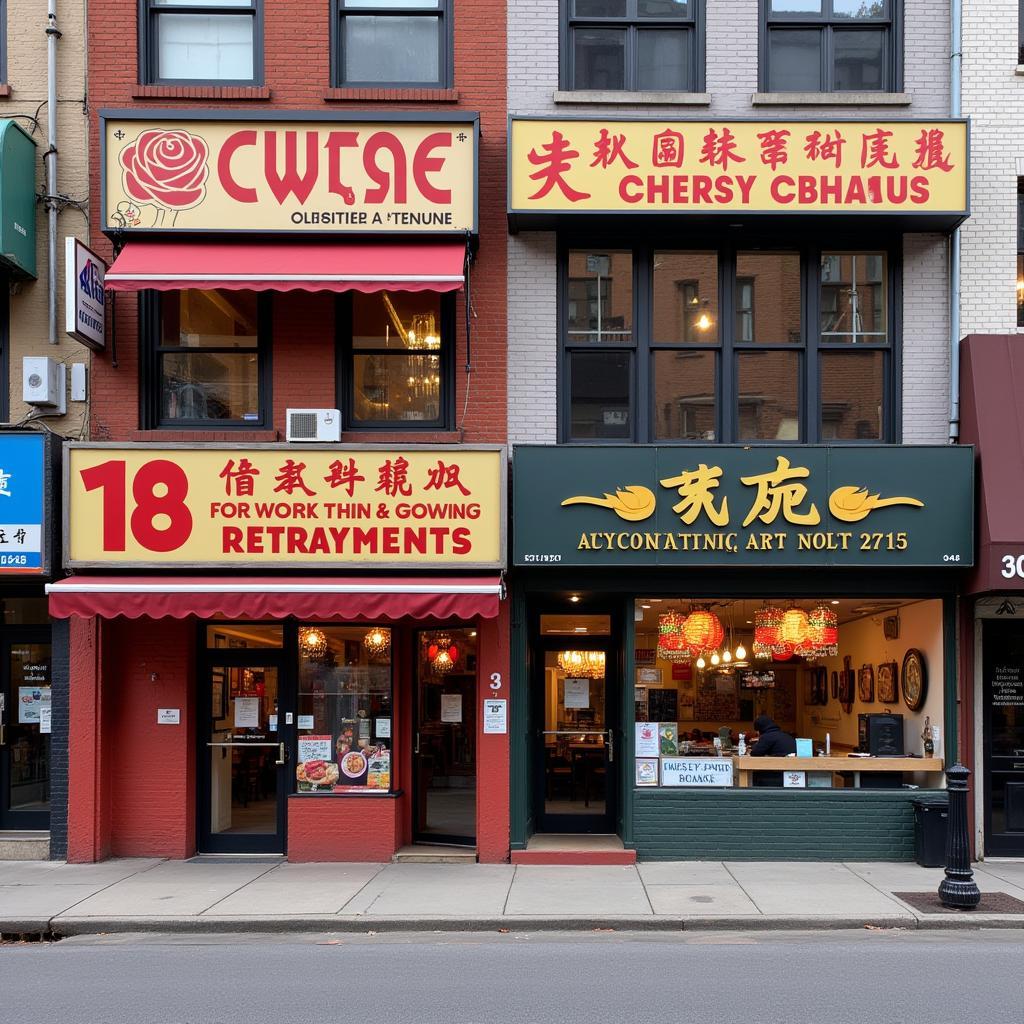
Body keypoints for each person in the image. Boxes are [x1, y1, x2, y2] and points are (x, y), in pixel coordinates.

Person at [750, 714, 796, 787]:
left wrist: (755, 744)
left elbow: (755, 753)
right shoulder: (785, 735)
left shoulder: (767, 737)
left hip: (778, 775)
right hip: (794, 773)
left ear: (760, 729)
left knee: (754, 775)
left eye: (757, 731)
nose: (757, 733)